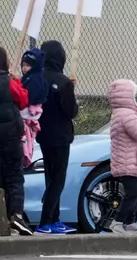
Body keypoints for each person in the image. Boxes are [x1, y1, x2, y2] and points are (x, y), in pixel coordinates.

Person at [35, 40, 79, 235]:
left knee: (50, 176)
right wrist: (71, 90)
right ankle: (46, 221)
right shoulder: (63, 82)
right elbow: (71, 111)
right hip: (60, 136)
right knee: (58, 178)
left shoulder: (37, 78)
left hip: (42, 133)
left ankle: (54, 219)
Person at [107, 79, 137, 233]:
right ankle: (118, 222)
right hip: (127, 161)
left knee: (135, 193)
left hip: (128, 160)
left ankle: (130, 222)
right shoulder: (126, 114)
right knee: (132, 194)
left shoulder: (121, 113)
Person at [0, 46, 32, 235]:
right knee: (14, 176)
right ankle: (16, 216)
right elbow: (23, 100)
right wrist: (16, 81)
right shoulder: (9, 82)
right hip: (10, 136)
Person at [19, 48, 48, 167]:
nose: (24, 68)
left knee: (26, 141)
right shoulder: (28, 78)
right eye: (23, 65)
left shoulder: (35, 79)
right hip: (27, 115)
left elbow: (31, 97)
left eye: (28, 65)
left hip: (29, 115)